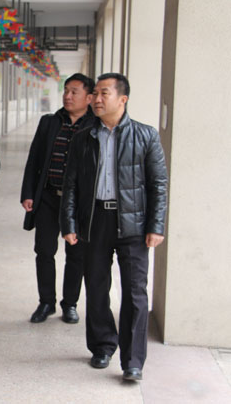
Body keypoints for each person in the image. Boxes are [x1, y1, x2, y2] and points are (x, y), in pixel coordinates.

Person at [60, 73, 168, 381]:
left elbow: (159, 184)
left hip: (133, 223)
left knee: (135, 293)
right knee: (96, 287)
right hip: (95, 221)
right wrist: (69, 223)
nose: (96, 99)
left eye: (103, 93)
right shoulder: (83, 138)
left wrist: (156, 225)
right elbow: (71, 184)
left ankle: (133, 360)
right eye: (95, 93)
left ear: (123, 99)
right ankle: (102, 346)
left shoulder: (145, 136)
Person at [20, 73, 95, 324]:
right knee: (44, 250)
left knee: (76, 254)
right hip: (49, 197)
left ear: (89, 98)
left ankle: (70, 304)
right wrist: (28, 193)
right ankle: (46, 302)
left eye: (74, 92)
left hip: (78, 203)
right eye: (66, 90)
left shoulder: (95, 126)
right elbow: (34, 159)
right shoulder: (49, 122)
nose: (68, 96)